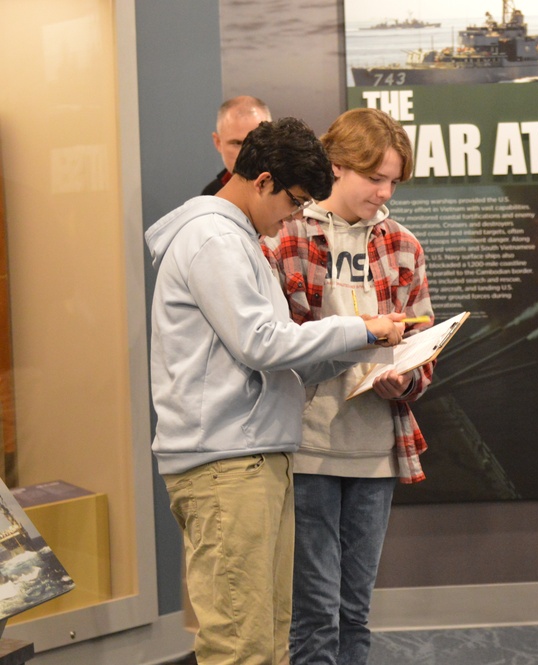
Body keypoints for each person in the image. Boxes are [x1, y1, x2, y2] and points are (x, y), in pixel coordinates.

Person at [145, 117, 404, 665]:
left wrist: (360, 348)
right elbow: (261, 344)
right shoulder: (214, 238)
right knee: (241, 645)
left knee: (267, 639)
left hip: (251, 457)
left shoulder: (239, 240)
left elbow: (276, 362)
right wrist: (360, 329)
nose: (293, 214)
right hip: (225, 463)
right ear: (262, 181)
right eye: (293, 200)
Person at [268, 107, 433, 665]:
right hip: (308, 447)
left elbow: (423, 349)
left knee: (355, 613)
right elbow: (269, 347)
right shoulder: (285, 236)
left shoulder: (404, 246)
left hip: (376, 454)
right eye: (375, 178)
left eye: (393, 181)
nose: (385, 192)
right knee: (315, 615)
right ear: (336, 167)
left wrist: (405, 379)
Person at [201, 95, 271, 195]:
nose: (247, 153)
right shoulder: (211, 194)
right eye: (237, 143)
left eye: (256, 141)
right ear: (218, 142)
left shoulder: (292, 189)